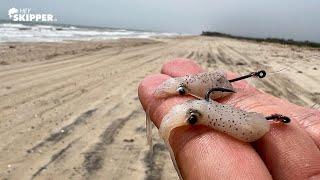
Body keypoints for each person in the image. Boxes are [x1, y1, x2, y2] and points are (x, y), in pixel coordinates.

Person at [138, 58, 320, 179]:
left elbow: (253, 128)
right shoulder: (201, 98)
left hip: (251, 121)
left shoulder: (252, 125)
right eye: (182, 92)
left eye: (182, 91)